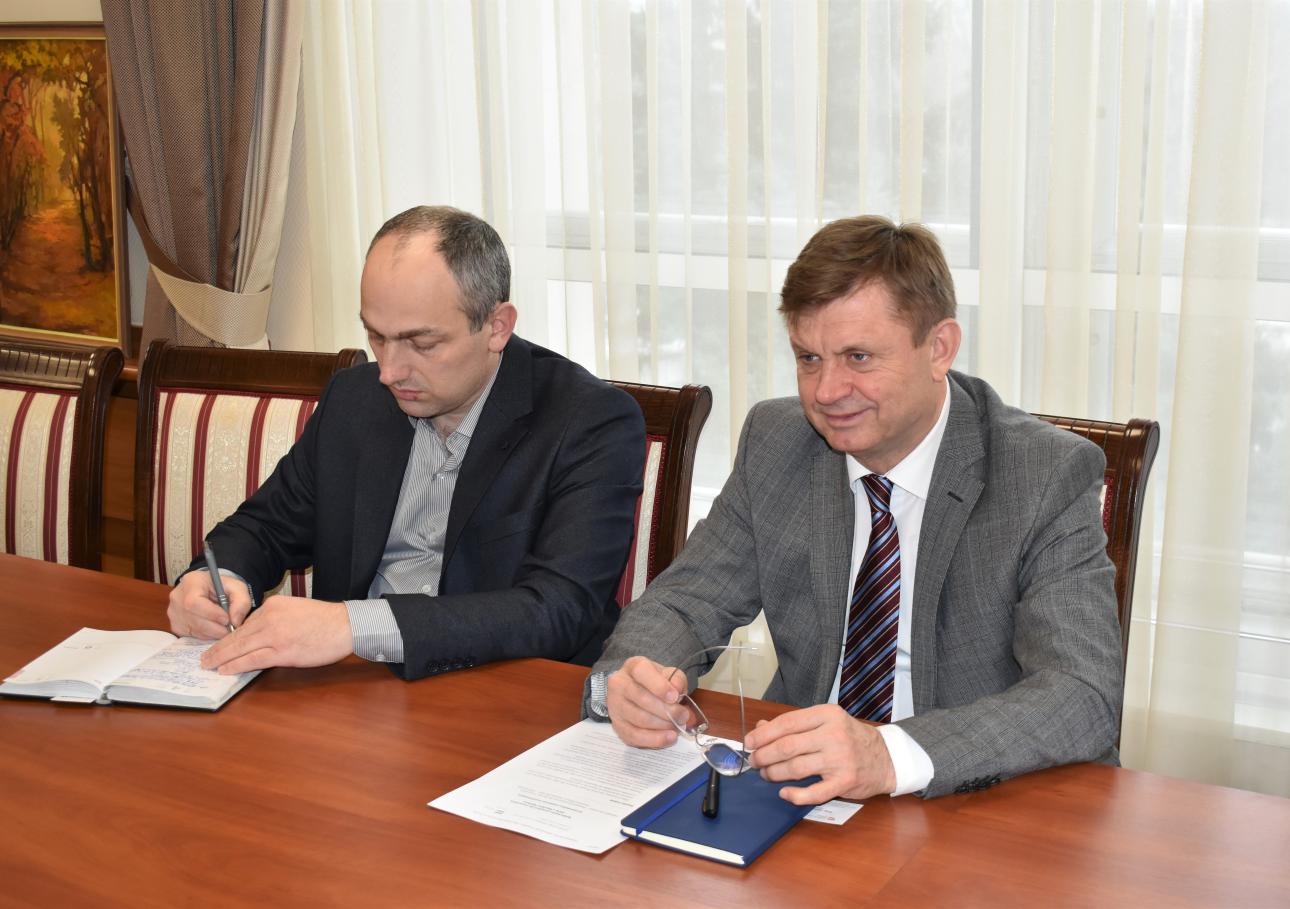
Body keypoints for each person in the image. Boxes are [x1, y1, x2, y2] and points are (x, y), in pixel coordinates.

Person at [590, 215, 1123, 802]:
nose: (826, 392)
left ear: (939, 348)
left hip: (976, 796)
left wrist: (888, 754)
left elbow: (1081, 694)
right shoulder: (778, 441)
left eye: (859, 357)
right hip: (802, 789)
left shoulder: (1042, 472)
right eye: (808, 358)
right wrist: (635, 681)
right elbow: (685, 603)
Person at [167, 205, 645, 680]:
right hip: (349, 689)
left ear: (497, 326)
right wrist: (218, 579)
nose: (390, 371)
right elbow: (266, 526)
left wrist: (354, 626)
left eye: (422, 344)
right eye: (377, 337)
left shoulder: (588, 421)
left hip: (498, 692)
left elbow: (559, 608)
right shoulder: (354, 399)